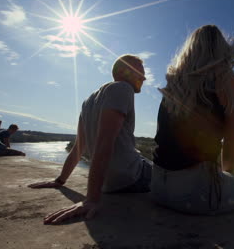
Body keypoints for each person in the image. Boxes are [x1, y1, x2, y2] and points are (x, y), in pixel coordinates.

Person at [29, 54, 150, 224]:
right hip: (131, 177)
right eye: (141, 72)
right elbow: (104, 143)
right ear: (126, 72)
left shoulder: (88, 102)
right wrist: (91, 199)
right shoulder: (123, 88)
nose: (144, 77)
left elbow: (79, 147)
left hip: (109, 184)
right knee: (169, 171)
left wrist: (60, 180)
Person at [151, 25, 234, 215]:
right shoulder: (232, 83)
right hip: (195, 195)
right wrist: (225, 180)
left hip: (157, 188)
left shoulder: (174, 83)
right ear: (223, 50)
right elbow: (231, 148)